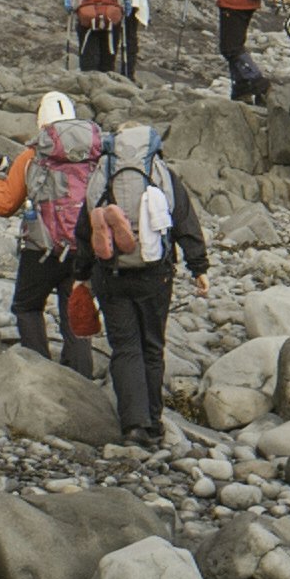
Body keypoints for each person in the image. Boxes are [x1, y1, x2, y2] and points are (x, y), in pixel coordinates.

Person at [86, 120, 210, 445]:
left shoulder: (103, 170)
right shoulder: (161, 172)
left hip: (111, 272)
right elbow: (184, 220)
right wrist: (199, 267)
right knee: (152, 347)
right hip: (155, 273)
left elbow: (86, 224)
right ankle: (153, 422)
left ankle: (133, 425)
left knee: (125, 346)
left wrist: (80, 274)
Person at [0, 92, 107, 369]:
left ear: (41, 121)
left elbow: (5, 205)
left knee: (27, 307)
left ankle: (39, 370)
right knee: (74, 309)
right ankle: (79, 376)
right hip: (84, 248)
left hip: (41, 248)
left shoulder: (32, 156)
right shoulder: (96, 156)